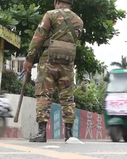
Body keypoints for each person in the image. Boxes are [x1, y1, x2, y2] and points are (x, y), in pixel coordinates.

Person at [23, 0, 83, 142]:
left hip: (48, 61)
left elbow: (38, 37)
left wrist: (30, 59)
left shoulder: (50, 15)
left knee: (44, 95)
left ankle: (42, 133)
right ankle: (69, 134)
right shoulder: (79, 20)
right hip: (68, 63)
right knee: (67, 97)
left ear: (56, 2)